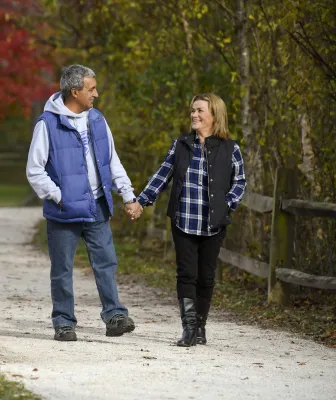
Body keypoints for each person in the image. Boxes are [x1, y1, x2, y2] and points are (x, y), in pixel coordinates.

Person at [26, 64, 141, 341]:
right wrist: (60, 196)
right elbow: (34, 170)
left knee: (106, 262)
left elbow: (111, 161)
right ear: (75, 91)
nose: (97, 94)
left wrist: (128, 195)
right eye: (91, 89)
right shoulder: (47, 124)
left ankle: (114, 316)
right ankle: (64, 323)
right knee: (62, 269)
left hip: (97, 206)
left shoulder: (98, 119)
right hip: (64, 210)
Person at [127, 93, 246, 347]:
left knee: (206, 277)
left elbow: (240, 182)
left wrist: (227, 204)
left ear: (214, 114)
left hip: (214, 223)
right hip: (184, 220)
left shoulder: (230, 148)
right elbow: (162, 175)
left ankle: (201, 327)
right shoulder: (181, 144)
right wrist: (141, 201)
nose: (194, 115)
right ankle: (189, 328)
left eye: (200, 110)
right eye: (192, 110)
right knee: (186, 274)